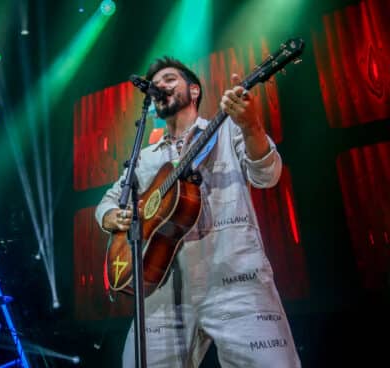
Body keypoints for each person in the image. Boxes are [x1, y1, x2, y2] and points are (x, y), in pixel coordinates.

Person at [95, 56, 301, 367]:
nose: (160, 86)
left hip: (235, 277)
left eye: (169, 79)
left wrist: (251, 125)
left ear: (194, 92)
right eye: (157, 82)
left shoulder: (228, 129)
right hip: (163, 291)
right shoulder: (145, 157)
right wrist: (112, 217)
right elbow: (108, 201)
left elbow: (267, 175)